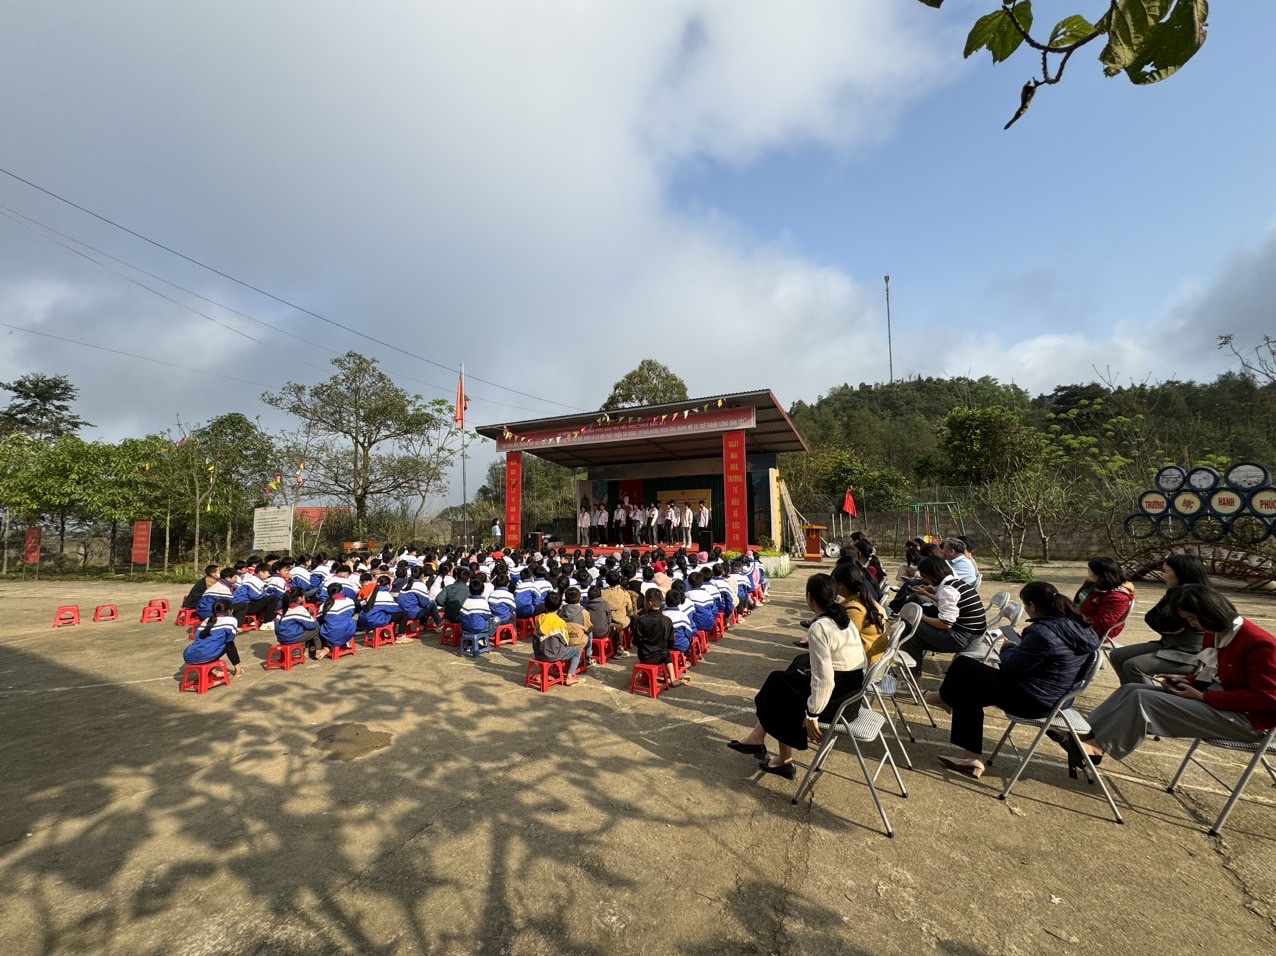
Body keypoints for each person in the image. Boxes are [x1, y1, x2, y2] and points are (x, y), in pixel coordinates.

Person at [1064, 585, 1276, 769]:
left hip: (1247, 721)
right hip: (1218, 702)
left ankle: (1097, 747)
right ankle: (1084, 733)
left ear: (1210, 612)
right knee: (1131, 690)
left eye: (1192, 619)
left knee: (1144, 700)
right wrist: (1187, 682)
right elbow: (1213, 673)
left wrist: (1203, 698)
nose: (1192, 625)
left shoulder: (1259, 643)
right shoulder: (1216, 633)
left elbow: (1268, 698)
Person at [923, 581, 1100, 778]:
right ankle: (970, 756)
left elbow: (1011, 666)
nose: (1026, 610)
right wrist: (1025, 646)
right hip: (1059, 697)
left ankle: (944, 699)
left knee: (963, 665)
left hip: (1032, 700)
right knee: (968, 689)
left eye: (1025, 606)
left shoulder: (1043, 633)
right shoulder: (1081, 628)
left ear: (1032, 606)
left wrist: (1009, 646)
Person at [726, 573, 867, 779]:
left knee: (778, 687)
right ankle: (760, 739)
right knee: (795, 667)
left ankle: (781, 757)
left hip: (837, 702)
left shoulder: (819, 627)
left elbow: (825, 678)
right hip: (853, 695)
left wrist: (813, 714)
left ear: (809, 598)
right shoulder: (844, 619)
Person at [1109, 554, 1210, 685]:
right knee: (1117, 656)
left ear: (1181, 573)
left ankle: (1146, 698)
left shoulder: (1195, 597)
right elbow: (1150, 617)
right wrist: (1164, 624)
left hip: (1188, 653)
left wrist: (1164, 624)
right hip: (1168, 644)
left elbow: (1172, 626)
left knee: (1133, 665)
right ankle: (1128, 694)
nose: (1163, 574)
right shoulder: (1173, 593)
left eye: (1166, 571)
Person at [901, 556, 987, 679]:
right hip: (972, 635)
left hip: (963, 639)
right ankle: (915, 683)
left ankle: (894, 654)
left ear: (933, 575)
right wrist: (927, 592)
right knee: (913, 641)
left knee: (909, 623)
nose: (924, 581)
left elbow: (945, 623)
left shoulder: (948, 590)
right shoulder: (955, 582)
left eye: (925, 577)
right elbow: (944, 601)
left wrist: (922, 618)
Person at [1073, 556, 1136, 640]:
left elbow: (1104, 622)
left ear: (1100, 575)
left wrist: (1074, 621)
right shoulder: (1093, 582)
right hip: (1078, 620)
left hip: (1092, 631)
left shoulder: (1118, 597)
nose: (1088, 573)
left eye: (1090, 571)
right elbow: (1077, 601)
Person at [531, 591, 585, 685]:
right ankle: (570, 676)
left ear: (545, 606)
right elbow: (565, 641)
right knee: (577, 651)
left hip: (538, 654)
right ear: (560, 606)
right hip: (553, 655)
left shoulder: (539, 619)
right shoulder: (559, 622)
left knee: (548, 645)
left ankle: (543, 673)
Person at [632, 590, 685, 687]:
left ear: (649, 603)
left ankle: (647, 678)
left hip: (645, 656)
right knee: (667, 655)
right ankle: (673, 678)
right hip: (662, 656)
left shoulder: (641, 620)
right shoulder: (667, 620)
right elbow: (670, 641)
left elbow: (636, 641)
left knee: (664, 652)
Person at [183, 599, 243, 677]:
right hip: (207, 655)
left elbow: (199, 636)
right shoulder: (232, 620)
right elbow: (229, 639)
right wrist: (235, 631)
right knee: (229, 645)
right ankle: (238, 670)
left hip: (189, 656)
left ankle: (213, 671)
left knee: (209, 644)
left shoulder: (207, 620)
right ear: (229, 610)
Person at [315, 582, 357, 659]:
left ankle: (325, 647)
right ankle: (341, 643)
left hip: (330, 635)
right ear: (342, 590)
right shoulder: (350, 601)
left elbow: (320, 619)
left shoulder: (324, 605)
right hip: (349, 631)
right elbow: (352, 613)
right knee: (349, 620)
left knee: (320, 626)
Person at [459, 578, 496, 652]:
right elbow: (488, 616)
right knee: (496, 620)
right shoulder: (482, 601)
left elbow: (462, 614)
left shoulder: (466, 601)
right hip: (479, 627)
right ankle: (484, 639)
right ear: (482, 591)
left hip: (466, 627)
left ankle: (471, 641)